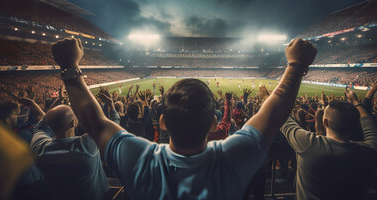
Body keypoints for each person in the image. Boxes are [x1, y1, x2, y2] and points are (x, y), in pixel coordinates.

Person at [51, 37, 316, 199]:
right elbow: (274, 112)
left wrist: (69, 66)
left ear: (163, 122)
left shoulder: (138, 158)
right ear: (213, 125)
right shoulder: (233, 157)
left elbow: (93, 120)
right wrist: (295, 65)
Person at [280, 87, 377, 200]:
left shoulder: (309, 144)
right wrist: (356, 102)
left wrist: (267, 97)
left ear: (324, 122)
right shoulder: (368, 152)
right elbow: (372, 132)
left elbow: (282, 118)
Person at [30, 105, 110, 200]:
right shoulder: (87, 146)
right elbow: (109, 128)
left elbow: (40, 127)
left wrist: (54, 111)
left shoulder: (39, 149)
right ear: (74, 123)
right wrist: (111, 107)